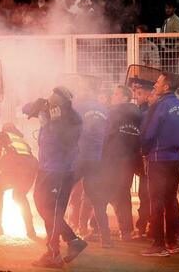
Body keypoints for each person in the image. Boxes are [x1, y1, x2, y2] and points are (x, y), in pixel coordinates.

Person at [23, 87, 87, 268]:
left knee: (53, 210)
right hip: (47, 168)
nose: (49, 107)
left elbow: (66, 141)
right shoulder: (50, 114)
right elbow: (26, 109)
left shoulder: (72, 119)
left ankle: (55, 252)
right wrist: (38, 105)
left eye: (51, 104)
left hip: (59, 171)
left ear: (60, 105)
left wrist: (53, 122)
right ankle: (70, 241)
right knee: (44, 206)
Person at [140, 72, 179, 257]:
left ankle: (158, 245)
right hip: (175, 159)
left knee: (156, 202)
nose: (156, 84)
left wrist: (144, 151)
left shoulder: (159, 106)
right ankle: (172, 242)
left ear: (166, 86)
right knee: (170, 201)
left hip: (158, 159)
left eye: (159, 81)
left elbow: (148, 133)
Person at [100, 85, 142, 242]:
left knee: (100, 193)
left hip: (112, 160)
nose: (113, 96)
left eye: (116, 94)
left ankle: (96, 229)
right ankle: (126, 231)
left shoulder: (112, 113)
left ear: (125, 97)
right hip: (129, 160)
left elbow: (104, 135)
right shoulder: (138, 114)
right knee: (123, 195)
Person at [73, 78, 110, 247]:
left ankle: (59, 235)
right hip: (97, 159)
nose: (78, 90)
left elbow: (71, 130)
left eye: (81, 87)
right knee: (98, 200)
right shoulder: (104, 109)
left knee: (62, 194)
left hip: (80, 157)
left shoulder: (79, 107)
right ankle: (106, 239)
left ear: (87, 89)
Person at [0, 123, 38, 239]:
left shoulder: (1, 135)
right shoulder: (21, 140)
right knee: (19, 196)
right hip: (31, 169)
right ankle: (30, 230)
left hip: (16, 167)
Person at [131, 81, 154, 239]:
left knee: (145, 194)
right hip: (146, 159)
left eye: (139, 94)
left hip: (147, 159)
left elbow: (143, 137)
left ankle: (144, 226)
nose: (136, 97)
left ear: (147, 95)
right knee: (146, 194)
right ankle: (146, 226)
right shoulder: (143, 111)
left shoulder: (145, 113)